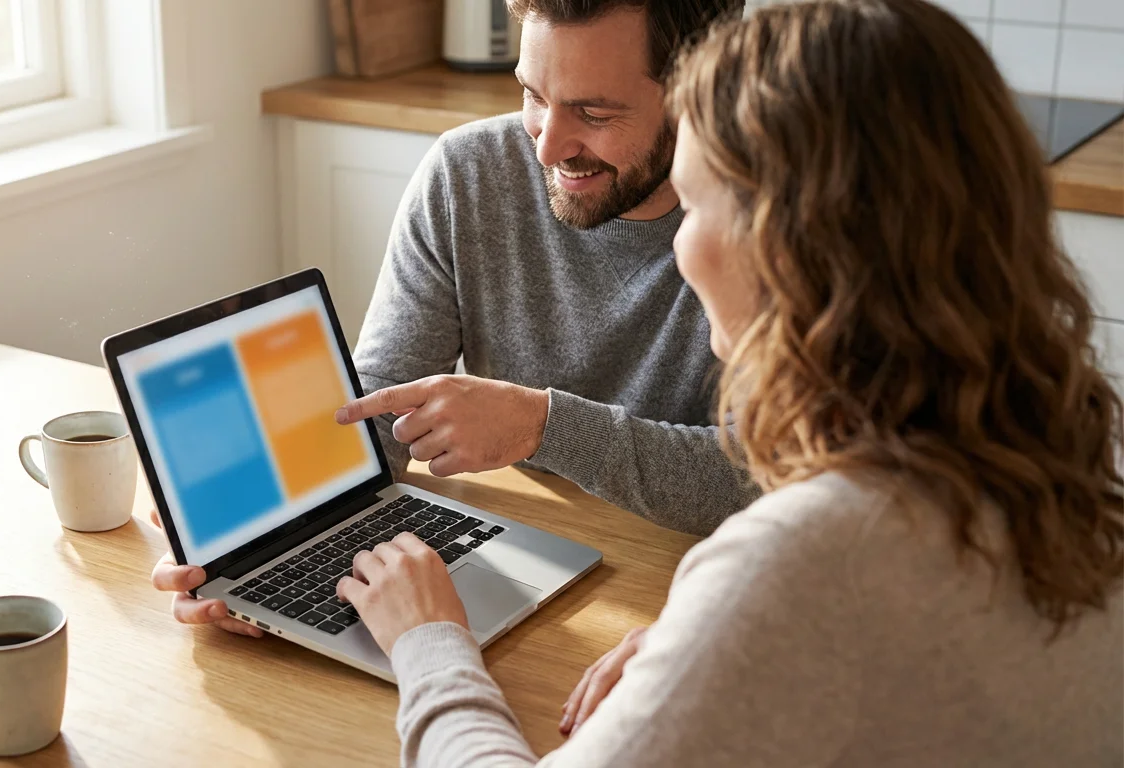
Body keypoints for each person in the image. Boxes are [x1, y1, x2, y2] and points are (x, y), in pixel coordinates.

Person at [335, 0, 1124, 764]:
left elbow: (803, 592)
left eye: (699, 200)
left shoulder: (799, 565)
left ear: (793, 249)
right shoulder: (1056, 482)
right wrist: (708, 650)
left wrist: (430, 642)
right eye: (533, 96)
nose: (682, 247)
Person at [153, 0, 757, 636]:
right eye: (533, 95)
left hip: (696, 588)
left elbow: (778, 476)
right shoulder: (468, 172)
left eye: (595, 114)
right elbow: (381, 406)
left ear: (703, 87)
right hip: (531, 543)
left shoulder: (780, 216)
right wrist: (254, 546)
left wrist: (543, 426)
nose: (547, 146)